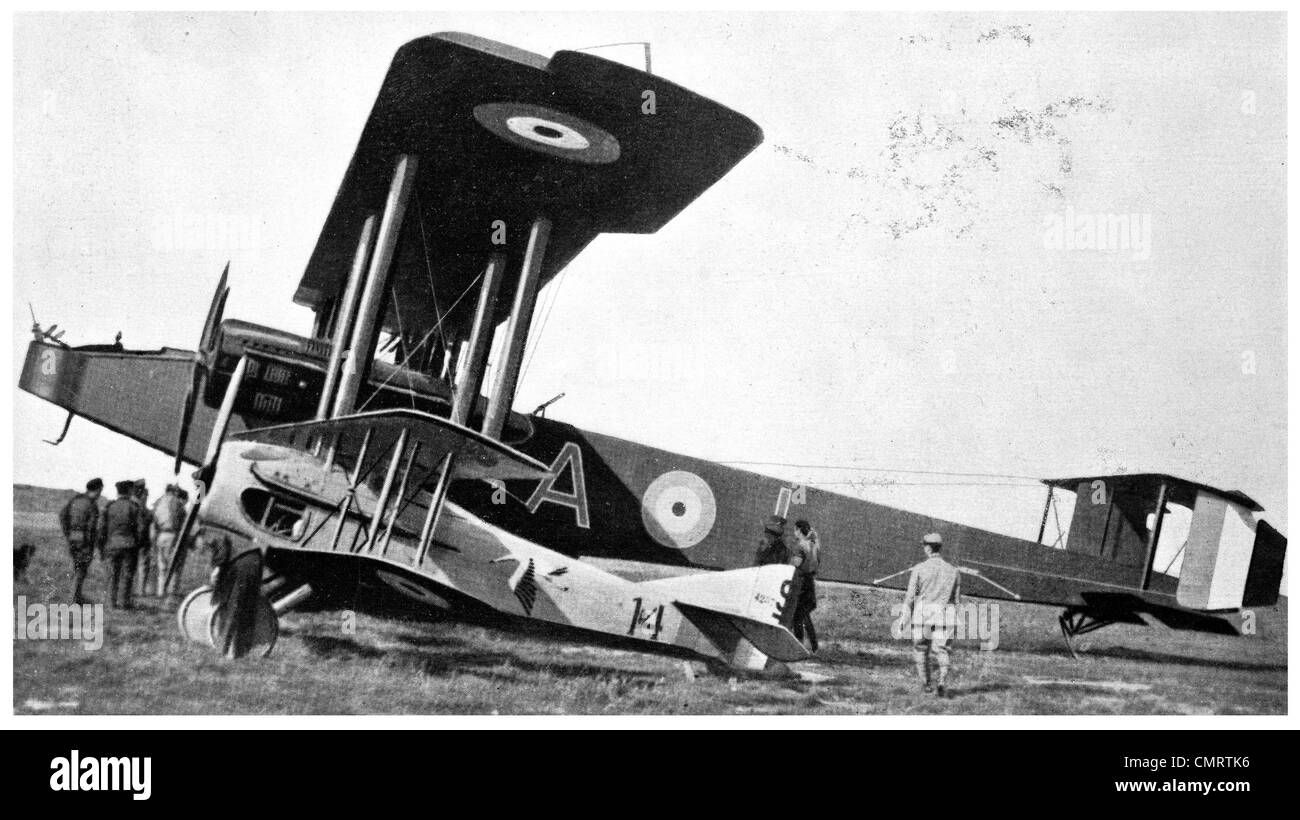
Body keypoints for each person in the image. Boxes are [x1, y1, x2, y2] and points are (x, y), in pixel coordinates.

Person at [902, 532, 961, 697]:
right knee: (942, 650)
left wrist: (905, 616)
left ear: (927, 547)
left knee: (921, 649)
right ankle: (941, 682)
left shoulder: (919, 569)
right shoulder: (954, 571)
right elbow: (956, 600)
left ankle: (926, 685)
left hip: (923, 614)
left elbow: (910, 596)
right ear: (939, 548)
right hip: (945, 613)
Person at [199, 529, 265, 659]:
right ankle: (243, 651)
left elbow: (222, 554)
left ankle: (224, 652)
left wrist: (217, 569)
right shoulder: (219, 530)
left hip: (244, 563)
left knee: (234, 608)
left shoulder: (213, 532)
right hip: (254, 561)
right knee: (247, 608)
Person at [98, 480, 148, 610]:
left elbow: (101, 528)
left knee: (112, 575)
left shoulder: (109, 506)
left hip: (111, 545)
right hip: (129, 546)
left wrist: (102, 546)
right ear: (130, 490)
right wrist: (138, 543)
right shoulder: (134, 507)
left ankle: (111, 603)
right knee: (127, 575)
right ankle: (124, 603)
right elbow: (141, 529)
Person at [58, 477, 103, 604]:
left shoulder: (75, 500)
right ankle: (74, 599)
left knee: (77, 568)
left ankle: (76, 597)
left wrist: (68, 533)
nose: (100, 494)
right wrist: (90, 545)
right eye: (100, 490)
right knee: (81, 570)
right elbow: (91, 527)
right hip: (85, 541)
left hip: (73, 537)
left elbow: (62, 515)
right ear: (97, 489)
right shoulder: (92, 504)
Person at [151, 484, 188, 606]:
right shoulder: (177, 502)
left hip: (161, 535)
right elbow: (183, 518)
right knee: (175, 566)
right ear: (174, 492)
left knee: (162, 565)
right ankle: (171, 593)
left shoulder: (158, 502)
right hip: (173, 535)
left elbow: (154, 519)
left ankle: (161, 591)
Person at [789, 519, 821, 653]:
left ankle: (798, 646)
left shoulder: (800, 545)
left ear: (799, 530)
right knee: (804, 616)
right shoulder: (814, 544)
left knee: (797, 615)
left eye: (795, 529)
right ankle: (814, 646)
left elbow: (795, 564)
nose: (794, 532)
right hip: (810, 582)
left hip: (800, 582)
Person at [132, 479, 155, 597]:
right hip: (140, 541)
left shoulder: (139, 508)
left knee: (139, 566)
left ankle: (138, 590)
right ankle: (139, 590)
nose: (145, 497)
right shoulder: (142, 510)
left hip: (138, 541)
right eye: (145, 495)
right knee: (140, 566)